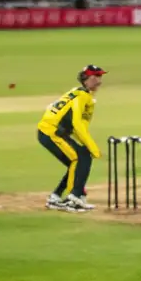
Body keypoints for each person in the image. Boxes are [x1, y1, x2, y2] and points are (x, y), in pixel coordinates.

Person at [37, 63, 105, 212]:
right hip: (51, 132)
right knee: (79, 158)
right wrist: (92, 146)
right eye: (96, 77)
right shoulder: (82, 96)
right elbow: (77, 123)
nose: (99, 81)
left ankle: (57, 197)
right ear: (86, 78)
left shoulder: (78, 92)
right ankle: (74, 199)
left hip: (51, 131)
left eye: (100, 76)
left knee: (79, 159)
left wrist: (85, 144)